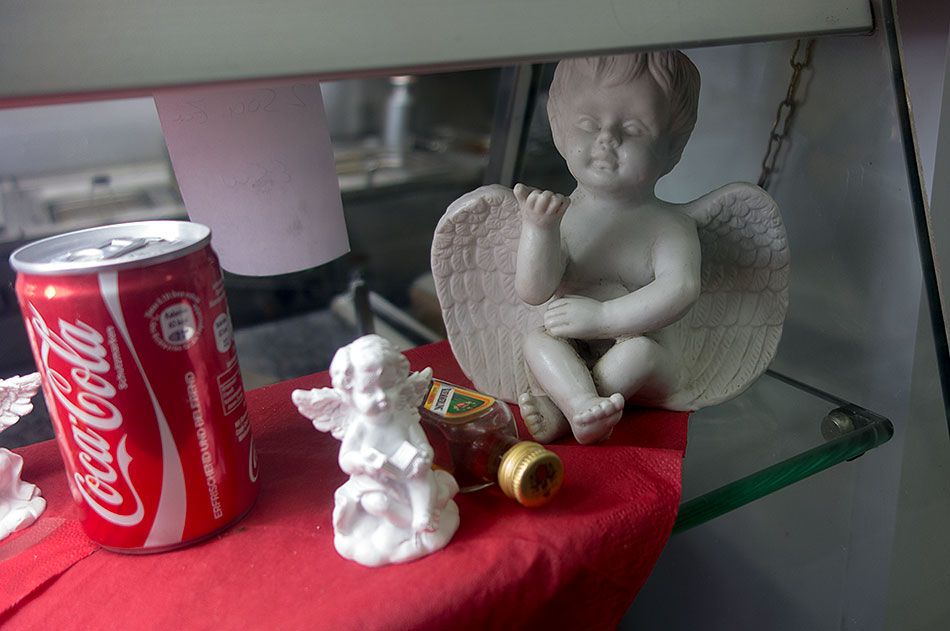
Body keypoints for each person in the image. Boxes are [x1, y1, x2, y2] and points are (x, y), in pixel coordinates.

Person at [515, 52, 703, 444]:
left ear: (672, 147)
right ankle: (581, 404)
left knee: (638, 355)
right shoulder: (562, 216)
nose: (607, 139)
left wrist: (603, 317)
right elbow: (533, 291)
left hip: (645, 350)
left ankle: (565, 410)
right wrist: (539, 230)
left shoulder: (669, 227)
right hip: (573, 345)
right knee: (536, 341)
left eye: (633, 129)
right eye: (588, 124)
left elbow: (681, 288)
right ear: (559, 128)